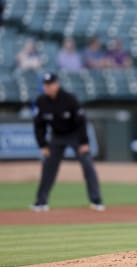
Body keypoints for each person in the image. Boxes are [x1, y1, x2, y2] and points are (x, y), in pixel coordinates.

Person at [31, 72, 104, 212]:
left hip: (75, 135)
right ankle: (41, 202)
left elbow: (81, 121)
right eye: (45, 85)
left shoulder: (69, 99)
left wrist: (84, 142)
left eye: (50, 84)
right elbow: (39, 125)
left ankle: (96, 200)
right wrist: (43, 145)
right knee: (48, 168)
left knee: (87, 165)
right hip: (56, 136)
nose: (47, 87)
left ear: (57, 84)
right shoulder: (41, 101)